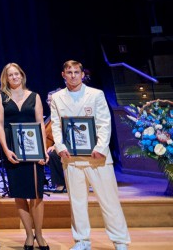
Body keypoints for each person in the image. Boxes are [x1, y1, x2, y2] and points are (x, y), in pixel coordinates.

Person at [50, 60, 130, 250]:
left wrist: (101, 147)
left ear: (82, 74)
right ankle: (82, 240)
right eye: (69, 72)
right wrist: (60, 146)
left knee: (109, 201)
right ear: (63, 75)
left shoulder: (96, 94)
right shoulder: (57, 98)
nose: (73, 75)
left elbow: (104, 123)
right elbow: (56, 125)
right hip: (71, 157)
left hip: (97, 157)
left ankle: (120, 240)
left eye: (76, 72)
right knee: (77, 203)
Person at [0, 63, 49, 250]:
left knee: (36, 194)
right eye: (10, 75)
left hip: (33, 151)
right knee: (19, 194)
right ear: (6, 78)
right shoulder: (0, 98)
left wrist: (42, 149)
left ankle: (39, 235)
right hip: (13, 151)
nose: (14, 77)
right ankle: (28, 235)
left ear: (22, 76)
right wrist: (6, 150)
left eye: (17, 74)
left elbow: (41, 123)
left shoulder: (34, 97)